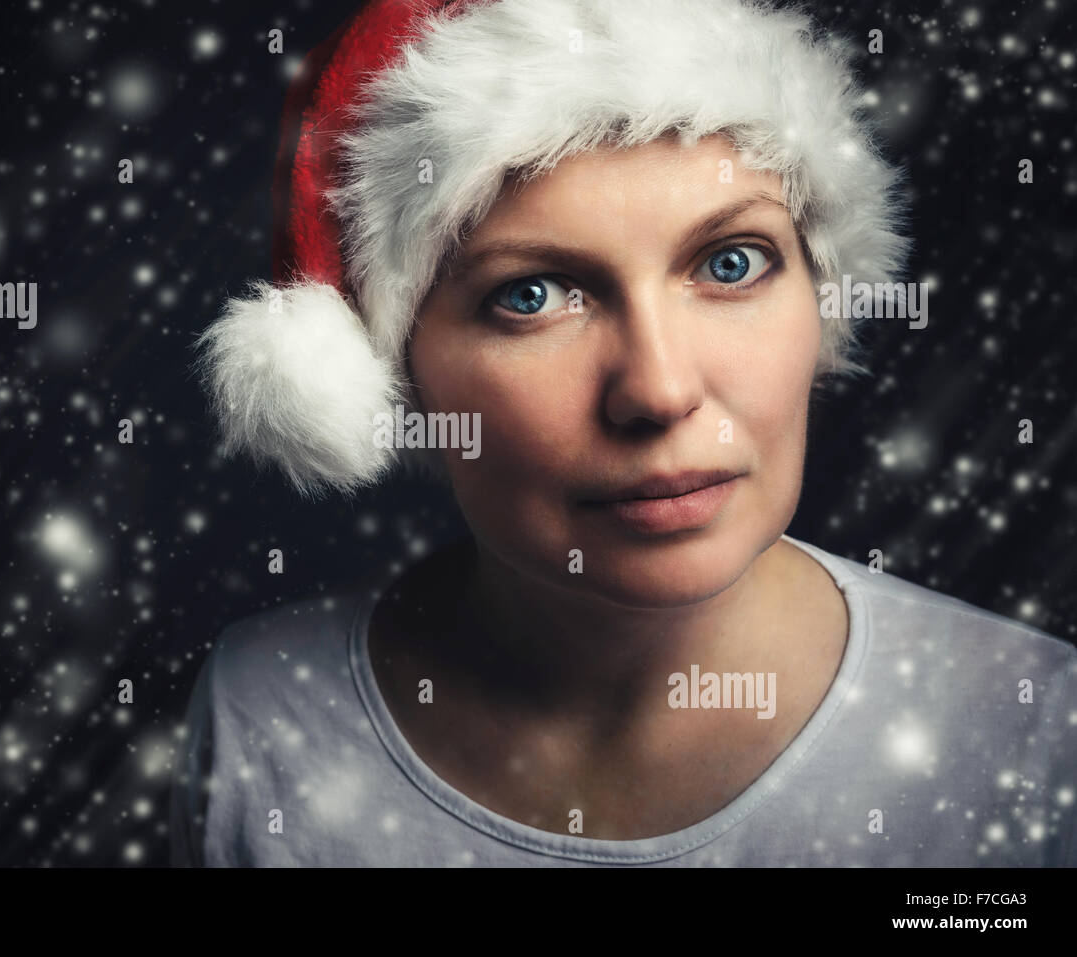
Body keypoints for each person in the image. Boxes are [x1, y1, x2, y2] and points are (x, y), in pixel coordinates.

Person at [172, 0, 1077, 866]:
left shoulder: (1031, 727)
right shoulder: (264, 711)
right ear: (399, 368)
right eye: (529, 295)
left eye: (733, 263)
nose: (659, 389)